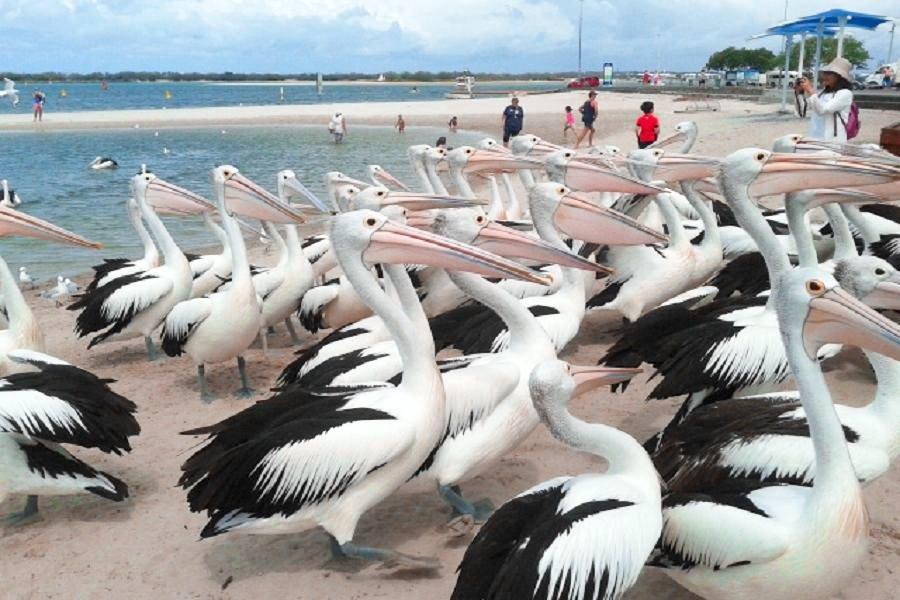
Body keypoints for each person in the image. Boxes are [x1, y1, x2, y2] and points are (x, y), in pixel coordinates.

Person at [797, 57, 855, 142]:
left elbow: (823, 110)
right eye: (824, 73)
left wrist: (810, 90)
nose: (824, 76)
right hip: (815, 138)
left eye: (829, 74)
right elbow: (803, 110)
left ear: (839, 77)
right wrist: (800, 92)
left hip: (832, 141)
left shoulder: (845, 94)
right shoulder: (823, 93)